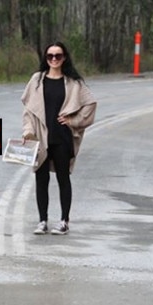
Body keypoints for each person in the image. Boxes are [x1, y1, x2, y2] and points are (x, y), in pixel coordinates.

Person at [21, 41, 97, 235]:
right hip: (41, 137)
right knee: (41, 178)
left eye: (58, 56)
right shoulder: (37, 80)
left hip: (62, 137)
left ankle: (64, 221)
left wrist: (74, 120)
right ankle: (42, 220)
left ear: (64, 58)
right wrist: (27, 132)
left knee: (63, 178)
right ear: (45, 59)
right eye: (50, 56)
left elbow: (90, 104)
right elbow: (28, 111)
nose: (54, 59)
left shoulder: (73, 82)